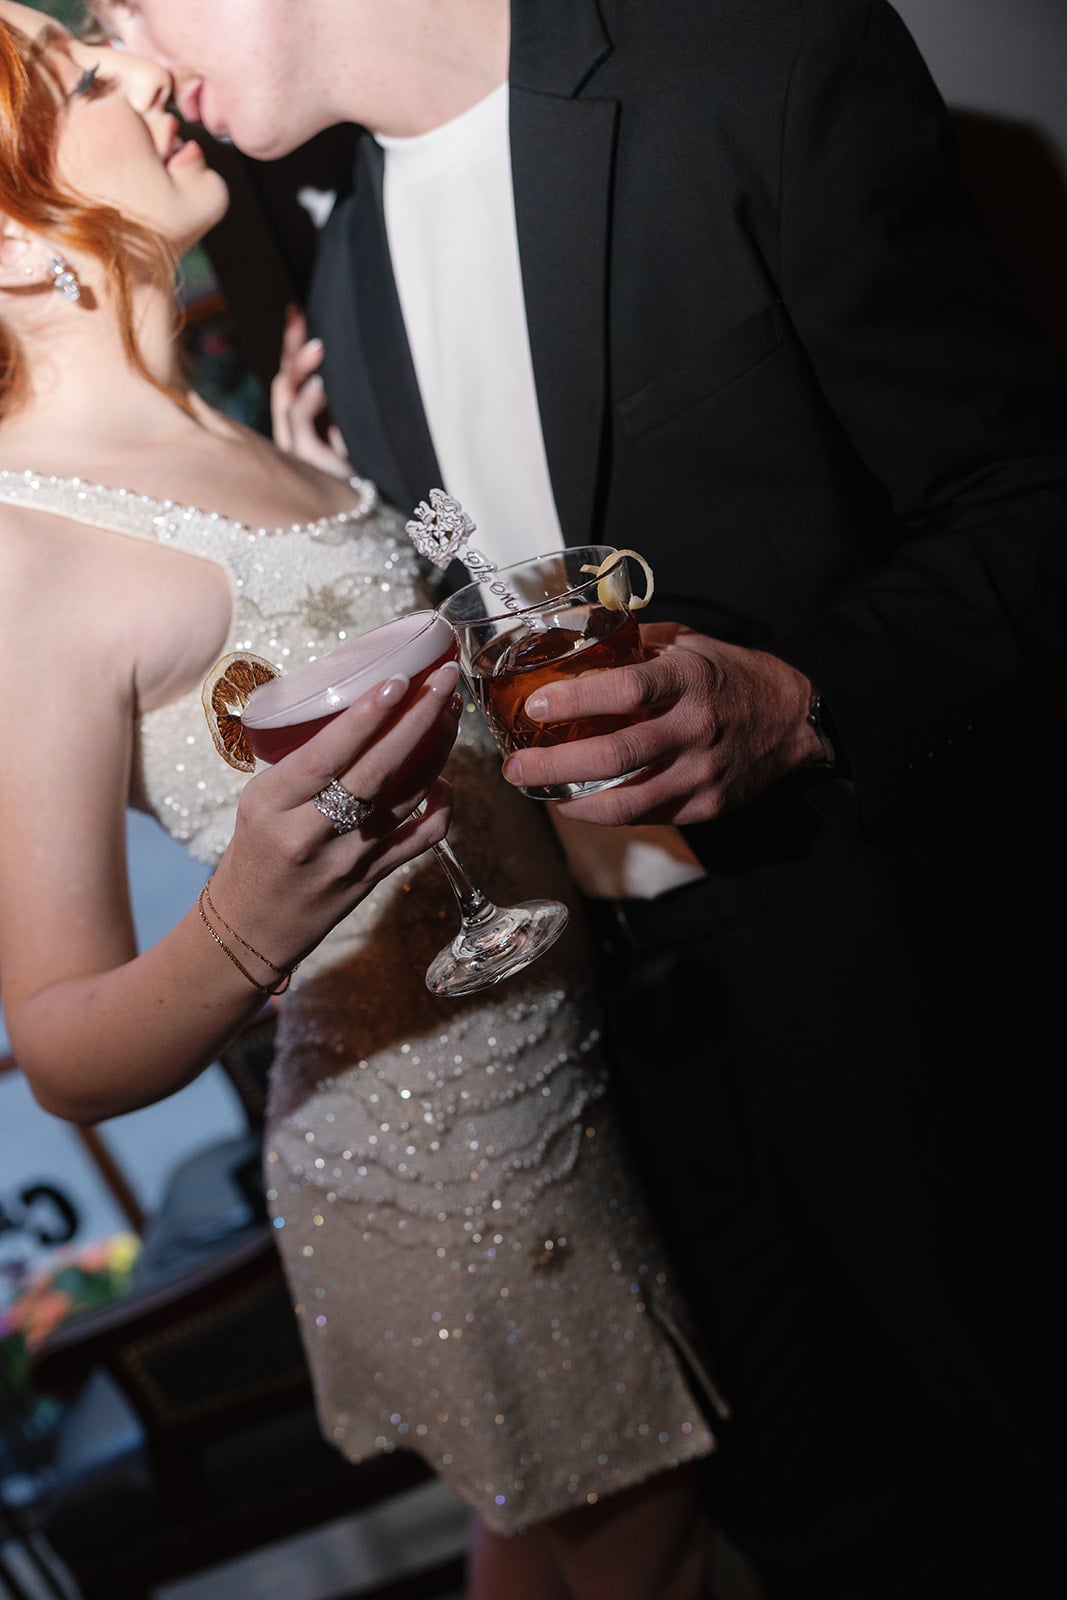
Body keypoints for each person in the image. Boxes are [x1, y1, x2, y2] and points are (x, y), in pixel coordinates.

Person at [87, 1, 1067, 1596]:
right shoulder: (342, 276)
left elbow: (1027, 494)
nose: (125, 44)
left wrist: (804, 699)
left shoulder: (760, 67)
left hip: (918, 991)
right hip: (618, 1076)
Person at [0, 7, 730, 1598]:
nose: (142, 72)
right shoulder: (20, 557)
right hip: (447, 1141)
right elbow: (58, 1045)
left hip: (565, 1043)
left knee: (557, 1542)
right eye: (79, 83)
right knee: (646, 1540)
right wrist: (248, 922)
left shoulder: (214, 420)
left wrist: (311, 480)